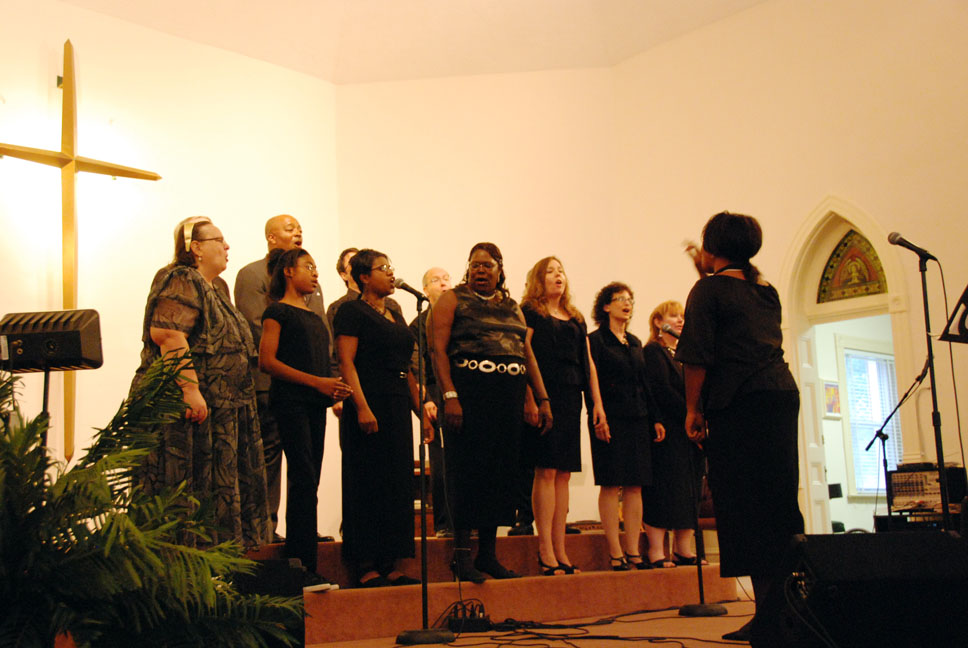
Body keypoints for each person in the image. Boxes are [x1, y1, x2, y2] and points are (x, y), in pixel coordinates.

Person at [676, 211, 803, 644]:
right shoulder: (765, 291)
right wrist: (709, 264)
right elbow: (735, 295)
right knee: (778, 503)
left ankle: (767, 618)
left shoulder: (708, 290)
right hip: (780, 396)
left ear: (712, 247)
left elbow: (696, 356)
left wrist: (693, 410)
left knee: (744, 506)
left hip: (739, 403)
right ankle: (780, 611)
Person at [133, 218, 269, 548]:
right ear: (195, 247)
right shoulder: (180, 278)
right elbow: (167, 332)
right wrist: (190, 390)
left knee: (218, 496)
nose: (227, 247)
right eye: (219, 240)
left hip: (222, 417)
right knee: (184, 494)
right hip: (189, 417)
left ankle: (221, 575)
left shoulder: (216, 288)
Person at [430, 242, 552, 582]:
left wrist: (540, 398)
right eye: (475, 265)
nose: (480, 270)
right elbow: (437, 351)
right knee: (468, 474)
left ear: (500, 269)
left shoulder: (513, 306)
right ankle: (461, 557)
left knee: (500, 476)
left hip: (507, 397)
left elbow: (525, 354)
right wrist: (450, 395)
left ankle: (488, 555)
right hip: (469, 395)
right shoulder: (451, 299)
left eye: (488, 265)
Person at [258, 247, 352, 592]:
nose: (315, 273)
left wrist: (332, 388)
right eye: (308, 267)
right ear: (288, 272)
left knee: (309, 481)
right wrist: (317, 383)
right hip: (291, 403)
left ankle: (307, 565)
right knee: (302, 479)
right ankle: (299, 566)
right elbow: (267, 361)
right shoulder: (277, 311)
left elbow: (319, 364)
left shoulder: (314, 316)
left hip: (314, 405)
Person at [235, 214, 330, 541]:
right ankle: (266, 527)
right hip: (271, 383)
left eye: (301, 229)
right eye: (290, 229)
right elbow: (255, 325)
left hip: (313, 387)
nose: (298, 234)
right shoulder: (251, 274)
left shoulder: (311, 284)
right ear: (270, 238)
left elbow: (321, 332)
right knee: (269, 457)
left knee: (306, 464)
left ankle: (302, 529)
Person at [335, 249, 422, 588]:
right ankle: (367, 565)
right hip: (369, 404)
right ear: (363, 277)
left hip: (398, 405)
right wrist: (362, 406)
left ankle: (392, 562)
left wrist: (421, 412)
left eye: (391, 268)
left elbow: (406, 368)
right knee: (367, 481)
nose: (390, 273)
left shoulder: (395, 314)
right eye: (382, 268)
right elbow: (346, 362)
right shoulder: (351, 311)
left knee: (396, 482)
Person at [521, 256, 607, 575]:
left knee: (565, 473)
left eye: (561, 271)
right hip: (546, 394)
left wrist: (597, 404)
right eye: (550, 272)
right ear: (538, 279)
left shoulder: (575, 317)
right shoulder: (530, 312)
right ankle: (545, 550)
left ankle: (561, 548)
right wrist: (530, 397)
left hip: (572, 397)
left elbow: (588, 363)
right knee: (546, 470)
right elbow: (523, 356)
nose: (558, 276)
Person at [588, 282, 665, 570]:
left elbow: (645, 383)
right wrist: (599, 415)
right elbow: (592, 383)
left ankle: (633, 550)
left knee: (635, 486)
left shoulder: (634, 342)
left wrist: (655, 418)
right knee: (611, 483)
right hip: (609, 418)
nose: (626, 303)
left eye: (630, 299)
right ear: (606, 306)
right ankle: (615, 551)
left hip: (638, 417)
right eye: (620, 299)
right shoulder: (595, 340)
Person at [642, 300, 705, 568]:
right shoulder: (654, 352)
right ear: (658, 321)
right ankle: (657, 550)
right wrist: (691, 412)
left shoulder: (686, 354)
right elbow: (662, 391)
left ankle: (683, 549)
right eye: (673, 316)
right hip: (668, 429)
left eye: (682, 316)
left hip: (691, 432)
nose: (680, 320)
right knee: (666, 489)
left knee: (690, 489)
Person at [408, 266, 454, 537]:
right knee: (441, 461)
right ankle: (444, 523)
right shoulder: (419, 324)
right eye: (436, 281)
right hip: (435, 393)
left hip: (461, 392)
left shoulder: (461, 318)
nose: (443, 284)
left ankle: (467, 522)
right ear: (425, 290)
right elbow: (416, 365)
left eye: (447, 279)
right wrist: (425, 399)